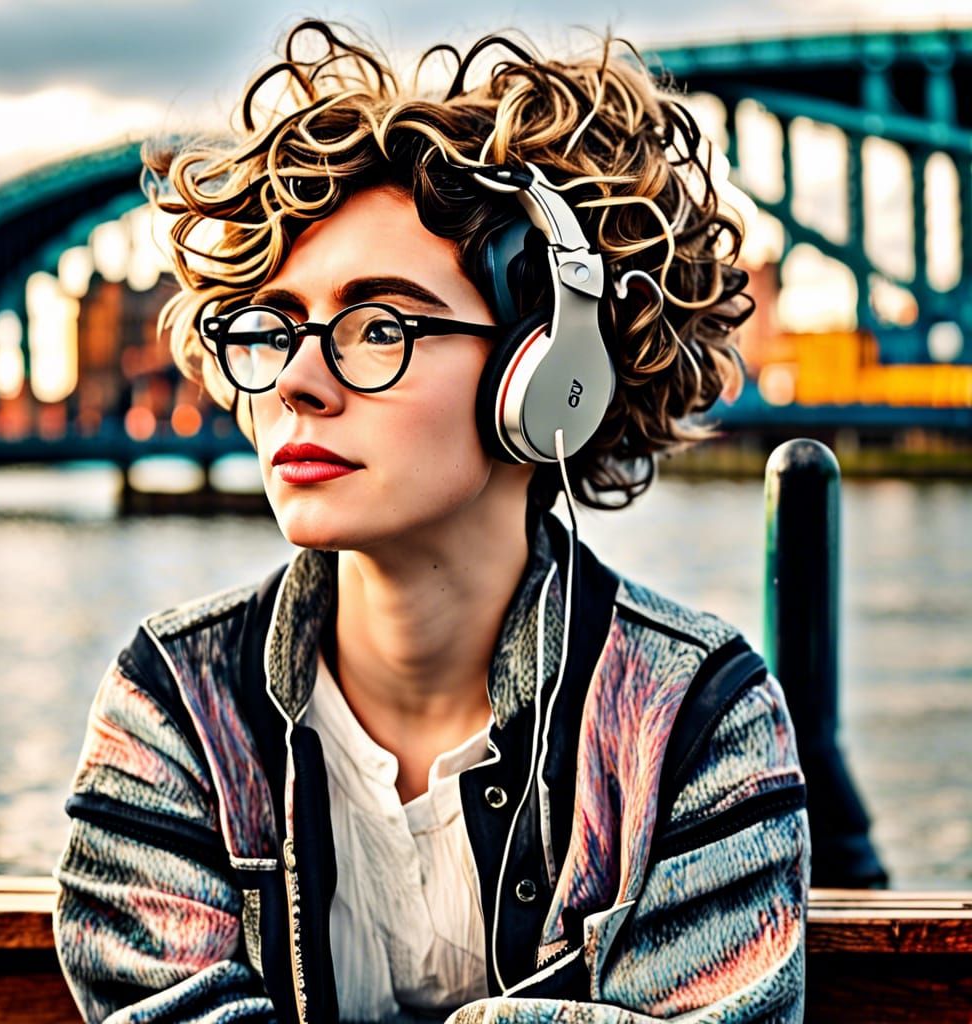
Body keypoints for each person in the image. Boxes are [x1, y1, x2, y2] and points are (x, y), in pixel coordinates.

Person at [54, 20, 810, 1024]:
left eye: (380, 326)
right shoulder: (175, 707)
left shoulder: (692, 721)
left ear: (549, 381)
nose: (297, 380)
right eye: (274, 325)